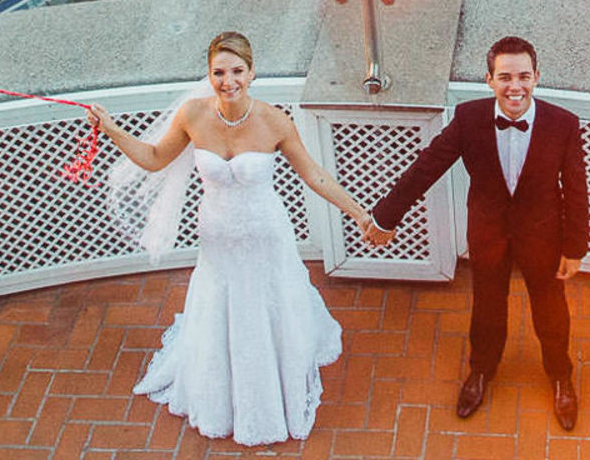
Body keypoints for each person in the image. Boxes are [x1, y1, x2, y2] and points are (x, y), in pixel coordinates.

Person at [86, 31, 383, 448]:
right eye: (219, 72)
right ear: (208, 74)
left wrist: (361, 215)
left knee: (269, 304)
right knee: (221, 307)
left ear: (252, 71)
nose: (228, 81)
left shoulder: (274, 121)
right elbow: (154, 160)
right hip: (218, 241)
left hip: (266, 237)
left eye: (237, 71)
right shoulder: (192, 115)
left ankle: (276, 380)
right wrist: (111, 128)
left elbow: (314, 175)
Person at [366, 34, 590, 431]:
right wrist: (386, 216)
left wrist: (574, 248)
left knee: (550, 310)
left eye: (523, 76)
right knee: (487, 306)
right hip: (488, 231)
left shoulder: (564, 124)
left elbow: (575, 189)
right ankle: (481, 371)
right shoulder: (469, 118)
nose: (515, 87)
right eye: (505, 77)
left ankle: (561, 376)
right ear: (489, 80)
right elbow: (427, 166)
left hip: (543, 235)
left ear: (537, 77)